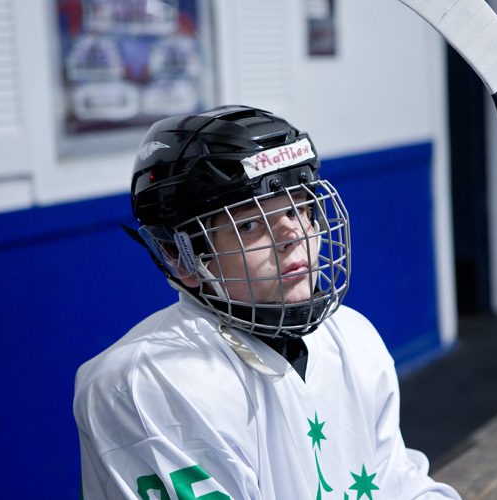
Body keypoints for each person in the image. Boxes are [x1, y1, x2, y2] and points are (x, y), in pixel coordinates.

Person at [73, 105, 462, 499]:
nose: (293, 235)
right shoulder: (145, 385)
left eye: (300, 208)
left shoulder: (353, 337)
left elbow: (401, 485)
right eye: (249, 223)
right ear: (180, 255)